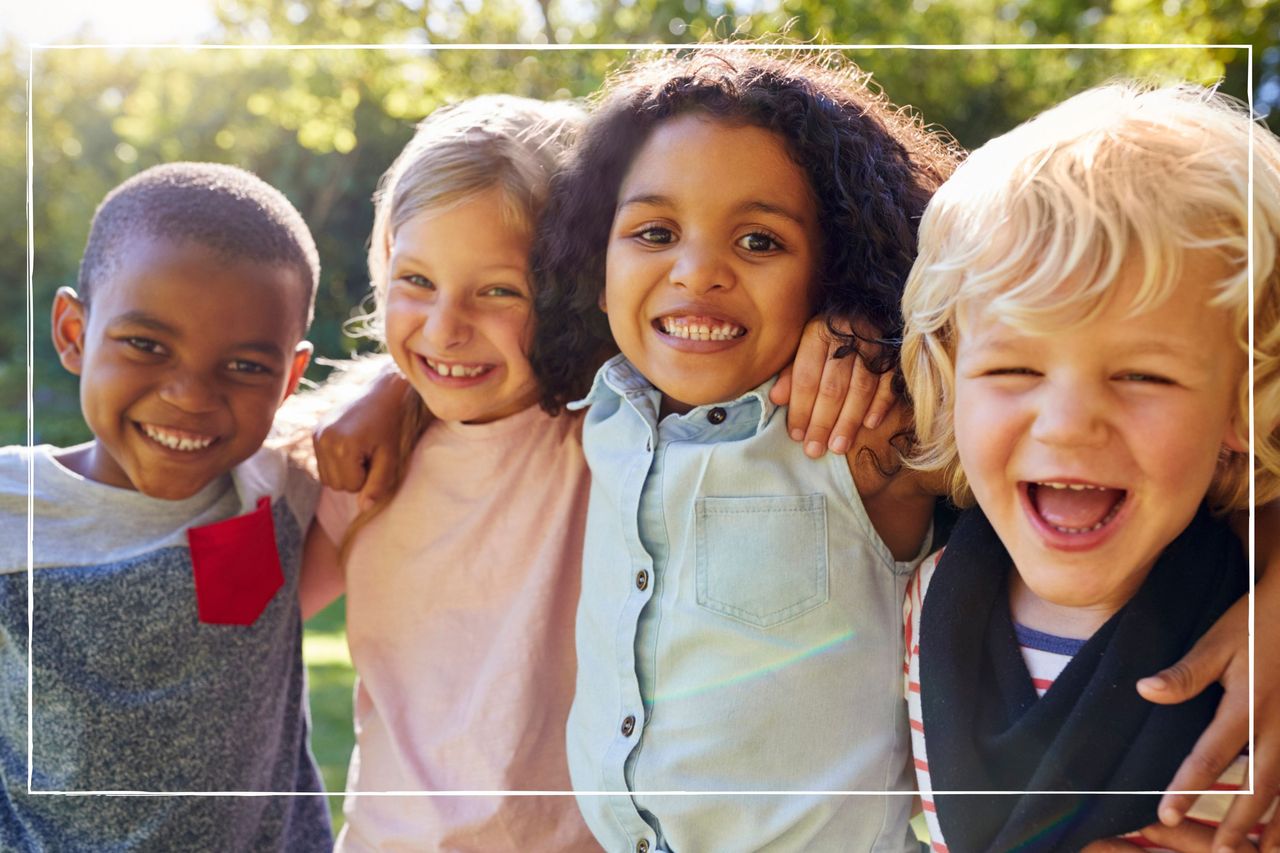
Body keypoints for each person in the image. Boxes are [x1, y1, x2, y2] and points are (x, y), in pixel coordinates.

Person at [529, 48, 954, 852]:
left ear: (836, 265)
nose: (699, 272)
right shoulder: (604, 407)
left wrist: (883, 338)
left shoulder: (862, 424)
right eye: (654, 231)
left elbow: (1015, 362)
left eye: (760, 242)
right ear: (599, 251)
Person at [900, 82, 1280, 851]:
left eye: (1143, 374)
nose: (1069, 422)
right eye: (1013, 369)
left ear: (1243, 401)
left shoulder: (1257, 632)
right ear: (949, 377)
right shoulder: (921, 597)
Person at [295, 94, 603, 851]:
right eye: (416, 281)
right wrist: (387, 387)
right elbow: (232, 621)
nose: (443, 328)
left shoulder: (611, 434)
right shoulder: (353, 455)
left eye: (499, 290)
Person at [0, 162, 332, 850]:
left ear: (291, 377)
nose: (190, 394)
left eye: (245, 366)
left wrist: (383, 400)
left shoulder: (283, 487)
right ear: (71, 332)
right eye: (146, 345)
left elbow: (418, 386)